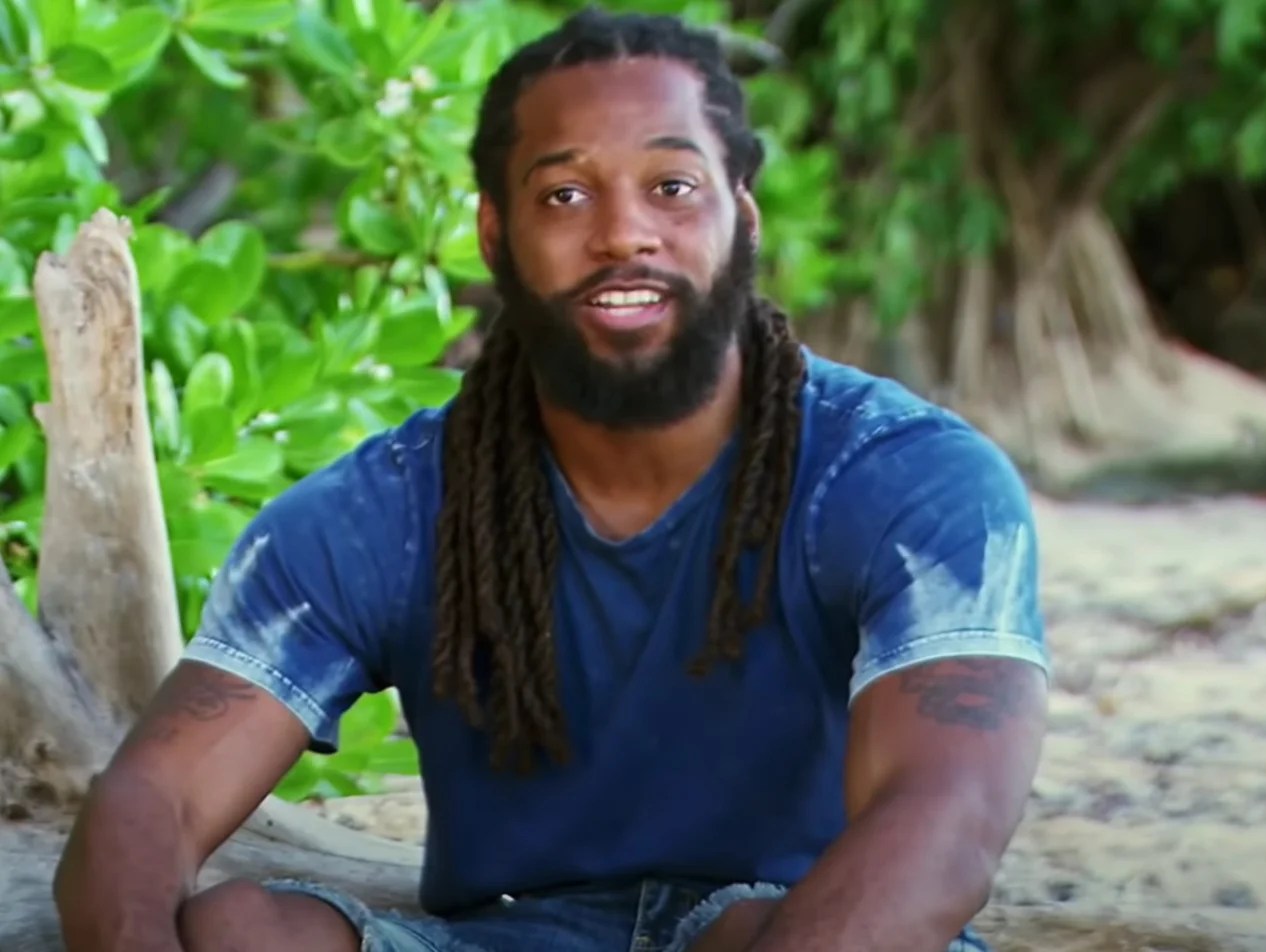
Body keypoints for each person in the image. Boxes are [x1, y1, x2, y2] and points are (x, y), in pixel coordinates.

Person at [53, 8, 1049, 952]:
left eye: (672, 187)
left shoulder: (908, 477)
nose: (623, 234)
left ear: (742, 219)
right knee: (240, 930)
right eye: (565, 195)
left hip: (786, 930)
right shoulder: (378, 512)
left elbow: (947, 815)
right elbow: (155, 798)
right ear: (494, 234)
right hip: (507, 933)